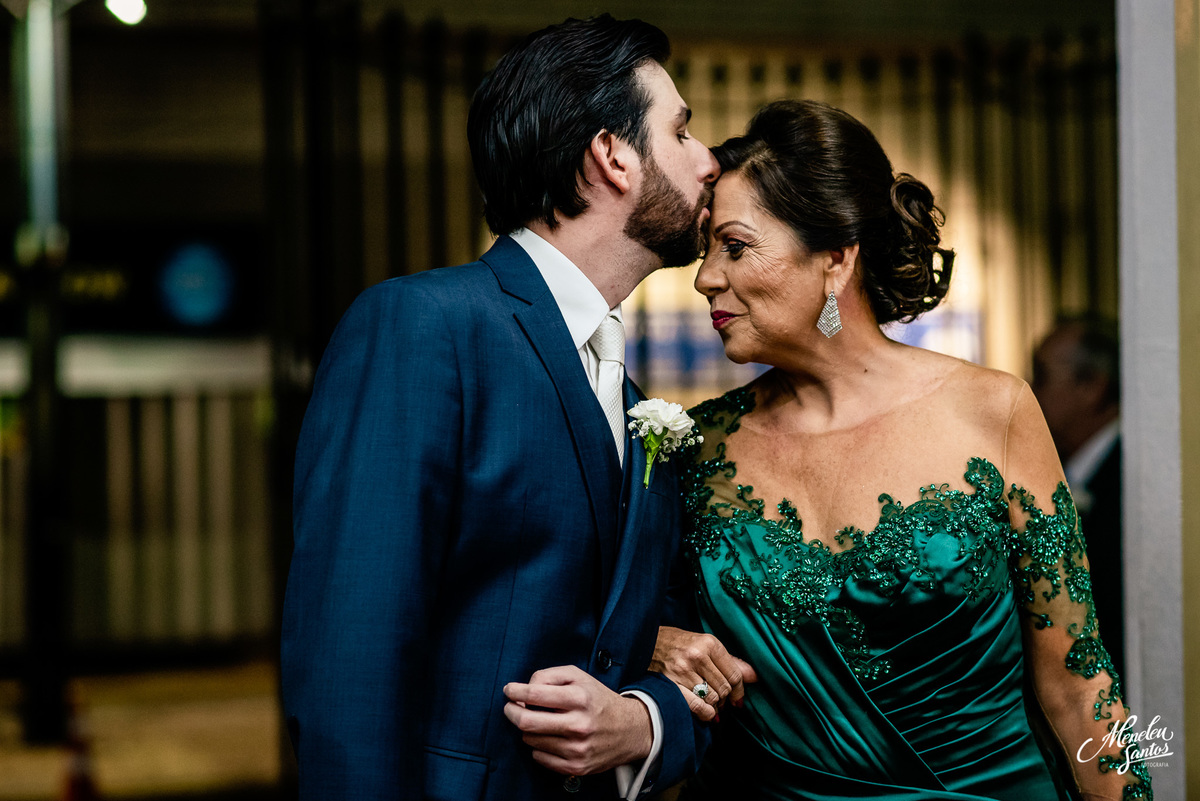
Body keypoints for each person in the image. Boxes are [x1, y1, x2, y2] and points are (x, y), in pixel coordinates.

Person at [652, 100, 1151, 800]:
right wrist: (656, 642)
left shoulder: (993, 410)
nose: (705, 276)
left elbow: (1083, 687)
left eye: (733, 246)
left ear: (835, 256)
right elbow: (606, 620)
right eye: (706, 249)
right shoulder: (697, 447)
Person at [281, 16, 719, 801]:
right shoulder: (423, 327)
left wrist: (644, 721)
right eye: (680, 130)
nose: (707, 159)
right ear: (611, 155)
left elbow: (645, 638)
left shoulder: (624, 390)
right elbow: (353, 655)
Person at [1032, 317, 1124, 678]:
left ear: (1092, 387)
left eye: (1041, 375)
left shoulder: (1125, 482)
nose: (1030, 389)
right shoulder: (1065, 471)